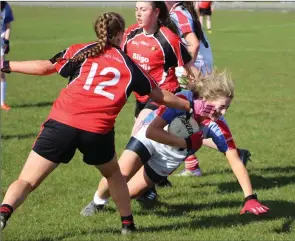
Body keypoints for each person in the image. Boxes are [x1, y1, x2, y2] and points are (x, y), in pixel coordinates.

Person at [0, 12, 201, 234]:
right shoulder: (130, 65)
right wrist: (189, 106)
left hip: (61, 123)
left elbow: (43, 67)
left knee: (27, 181)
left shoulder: (81, 50)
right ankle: (127, 225)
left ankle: (4, 212)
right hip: (96, 131)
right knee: (114, 175)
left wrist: (6, 64)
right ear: (120, 35)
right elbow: (159, 95)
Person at [81, 69, 270, 217]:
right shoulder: (182, 101)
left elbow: (235, 160)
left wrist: (250, 198)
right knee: (119, 175)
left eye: (227, 108)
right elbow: (151, 132)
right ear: (206, 98)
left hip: (169, 157)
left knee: (126, 194)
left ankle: (143, 192)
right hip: (148, 140)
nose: (224, 112)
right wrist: (185, 142)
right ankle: (97, 202)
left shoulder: (217, 125)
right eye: (221, 106)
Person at [121, 1, 196, 136]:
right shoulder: (130, 34)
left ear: (156, 12)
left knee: (136, 137)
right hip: (141, 96)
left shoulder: (169, 39)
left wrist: (200, 90)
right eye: (136, 9)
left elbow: (189, 68)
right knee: (159, 144)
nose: (138, 14)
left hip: (163, 95)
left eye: (143, 10)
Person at [166, 1, 214, 178]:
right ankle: (191, 165)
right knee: (187, 118)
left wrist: (187, 69)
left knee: (181, 118)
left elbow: (193, 44)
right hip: (198, 65)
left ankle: (232, 150)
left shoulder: (177, 13)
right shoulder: (183, 10)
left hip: (194, 67)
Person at [0, 1, 14, 111]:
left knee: (1, 70)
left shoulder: (5, 6)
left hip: (0, 42)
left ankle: (2, 102)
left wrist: (7, 41)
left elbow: (8, 25)